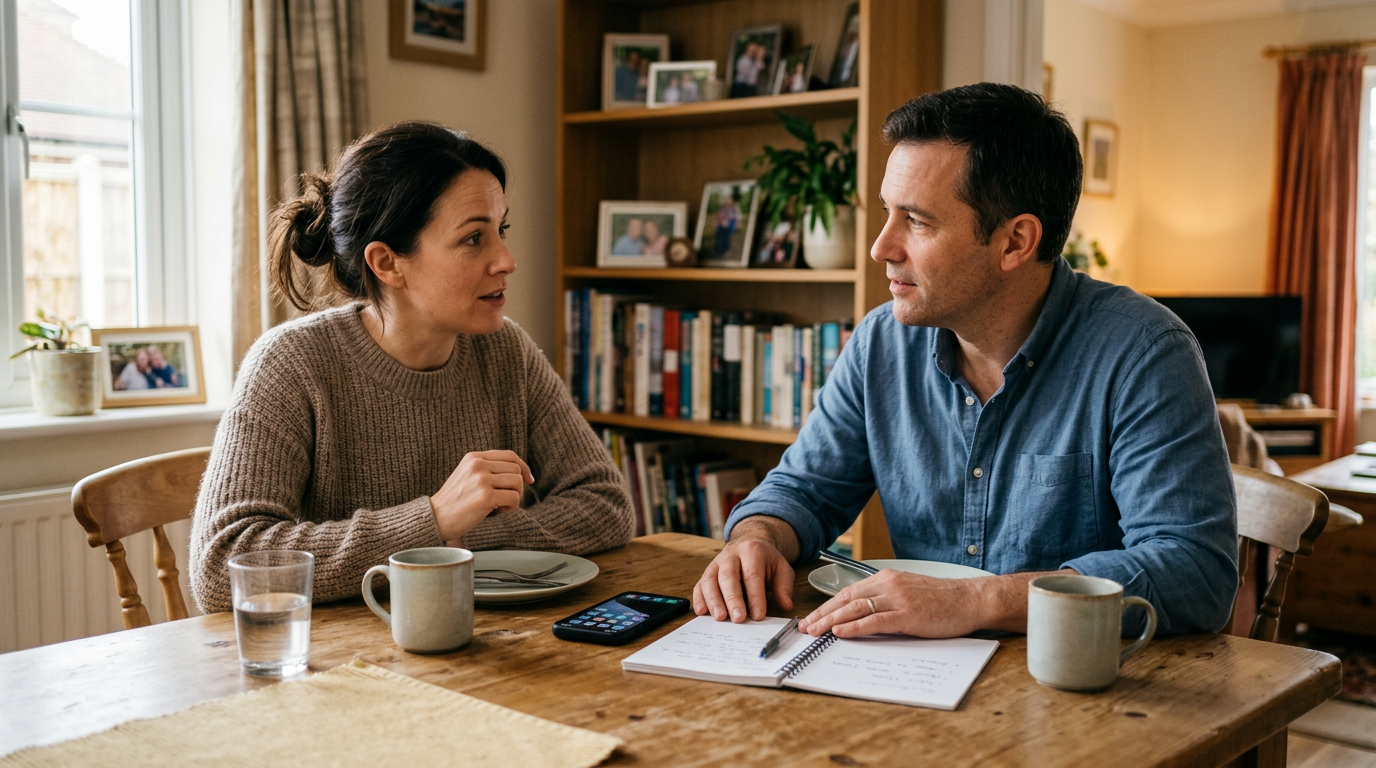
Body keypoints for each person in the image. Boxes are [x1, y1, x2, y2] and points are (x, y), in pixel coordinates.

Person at [693, 83, 1237, 640]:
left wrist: (978, 600)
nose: (881, 247)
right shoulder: (880, 344)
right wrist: (757, 539)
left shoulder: (1144, 353)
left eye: (917, 221)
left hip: (1083, 695)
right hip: (910, 680)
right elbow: (801, 491)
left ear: (1015, 242)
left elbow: (1196, 571)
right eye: (887, 212)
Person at [189, 122, 636, 613]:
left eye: (501, 231)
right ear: (386, 263)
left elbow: (605, 504)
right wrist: (436, 520)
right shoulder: (288, 365)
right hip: (344, 665)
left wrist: (455, 544)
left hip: (493, 644)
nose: (506, 260)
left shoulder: (508, 352)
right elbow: (222, 565)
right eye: (473, 239)